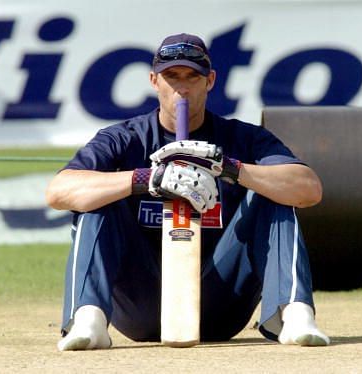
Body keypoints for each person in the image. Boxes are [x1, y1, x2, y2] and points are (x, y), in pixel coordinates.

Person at [45, 33, 329, 351]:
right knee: (96, 197)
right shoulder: (124, 138)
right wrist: (146, 179)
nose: (182, 88)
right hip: (141, 303)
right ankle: (88, 320)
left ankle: (294, 314)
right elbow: (59, 191)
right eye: (172, 76)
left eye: (192, 77)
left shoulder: (243, 138)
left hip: (222, 303)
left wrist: (231, 168)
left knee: (275, 192)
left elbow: (309, 190)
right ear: (154, 81)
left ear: (210, 81)